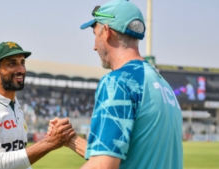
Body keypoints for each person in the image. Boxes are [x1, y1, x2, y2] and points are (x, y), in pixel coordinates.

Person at [48, 0, 183, 168]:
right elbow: (128, 154)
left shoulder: (118, 82)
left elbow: (103, 165)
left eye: (96, 36)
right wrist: (71, 140)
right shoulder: (163, 85)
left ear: (107, 31)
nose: (94, 47)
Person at [0, 41, 75, 169]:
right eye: (12, 63)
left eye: (22, 63)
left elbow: (19, 161)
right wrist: (49, 142)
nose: (21, 69)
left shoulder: (16, 107)